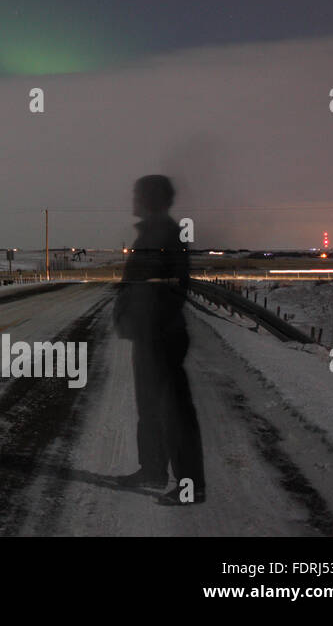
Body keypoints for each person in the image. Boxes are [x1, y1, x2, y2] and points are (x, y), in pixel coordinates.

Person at [111, 174, 206, 505]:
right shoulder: (153, 232)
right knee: (150, 408)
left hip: (161, 337)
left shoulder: (165, 233)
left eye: (138, 194)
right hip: (149, 336)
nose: (133, 199)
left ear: (151, 198)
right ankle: (152, 470)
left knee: (174, 413)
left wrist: (149, 323)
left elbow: (172, 287)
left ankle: (191, 486)